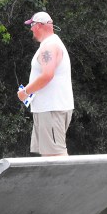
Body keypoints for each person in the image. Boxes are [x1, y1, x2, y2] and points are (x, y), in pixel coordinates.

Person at [17, 12, 74, 156]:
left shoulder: (49, 46)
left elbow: (47, 75)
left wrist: (25, 92)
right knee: (49, 156)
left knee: (56, 157)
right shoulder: (50, 44)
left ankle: (70, 180)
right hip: (48, 109)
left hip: (51, 109)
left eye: (32, 25)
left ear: (39, 25)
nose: (30, 29)